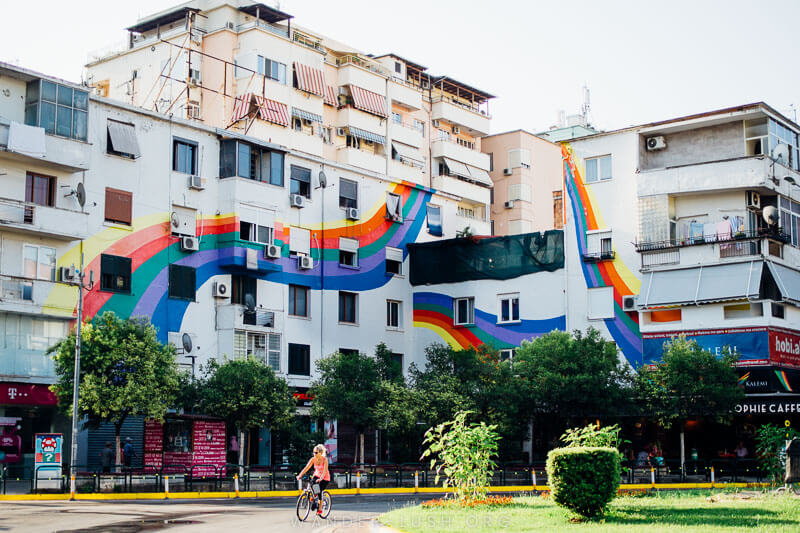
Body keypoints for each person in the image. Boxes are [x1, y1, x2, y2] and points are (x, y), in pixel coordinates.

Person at [296, 444, 330, 516]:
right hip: (317, 475)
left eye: (316, 452)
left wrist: (321, 478)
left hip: (325, 478)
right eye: (314, 452)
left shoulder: (325, 459)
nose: (314, 454)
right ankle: (314, 498)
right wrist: (300, 475)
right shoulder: (313, 459)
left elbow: (325, 470)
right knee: (312, 483)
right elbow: (306, 468)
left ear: (320, 453)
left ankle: (320, 508)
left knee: (319, 490)